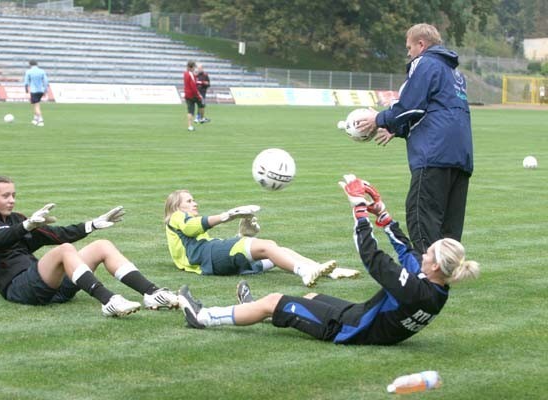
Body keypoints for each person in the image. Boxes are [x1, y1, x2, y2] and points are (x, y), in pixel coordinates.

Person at [178, 175, 479, 346]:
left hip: (349, 330)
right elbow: (407, 252)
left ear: (436, 265)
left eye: (429, 253)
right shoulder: (436, 288)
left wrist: (359, 211)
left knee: (274, 300)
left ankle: (203, 317)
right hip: (361, 316)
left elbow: (372, 257)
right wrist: (382, 213)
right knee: (307, 296)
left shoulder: (414, 289)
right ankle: (254, 310)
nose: (423, 253)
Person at [0, 176, 179, 317]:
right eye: (6, 196)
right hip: (20, 289)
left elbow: (54, 234)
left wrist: (92, 224)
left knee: (101, 246)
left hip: (48, 286)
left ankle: (152, 293)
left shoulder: (17, 218)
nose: (12, 200)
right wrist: (25, 226)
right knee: (65, 250)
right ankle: (109, 301)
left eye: (14, 195)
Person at [358, 23, 474, 255]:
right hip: (461, 155)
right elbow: (434, 111)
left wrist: (378, 119)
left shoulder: (425, 62)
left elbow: (410, 105)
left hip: (433, 154)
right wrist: (398, 129)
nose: (408, 53)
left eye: (409, 47)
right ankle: (448, 269)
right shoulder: (455, 73)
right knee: (449, 222)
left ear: (421, 44)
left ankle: (426, 271)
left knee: (421, 214)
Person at [164, 189, 338, 287]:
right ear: (176, 207)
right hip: (209, 255)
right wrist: (227, 215)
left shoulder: (182, 227)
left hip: (211, 258)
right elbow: (191, 227)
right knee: (267, 247)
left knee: (278, 251)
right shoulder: (175, 216)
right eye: (189, 201)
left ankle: (321, 269)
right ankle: (305, 272)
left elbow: (200, 240)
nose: (195, 203)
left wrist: (241, 236)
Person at [24, 60, 49, 127]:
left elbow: (26, 82)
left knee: (36, 106)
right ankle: (35, 119)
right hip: (41, 90)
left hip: (34, 91)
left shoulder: (28, 71)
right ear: (37, 64)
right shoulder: (42, 71)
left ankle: (41, 120)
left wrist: (26, 91)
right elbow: (46, 81)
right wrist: (45, 90)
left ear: (30, 64)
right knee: (34, 104)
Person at [183, 60, 203, 132]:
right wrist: (198, 95)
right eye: (194, 67)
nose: (195, 68)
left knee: (190, 111)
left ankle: (190, 126)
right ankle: (201, 118)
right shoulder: (191, 74)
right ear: (192, 67)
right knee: (201, 104)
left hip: (187, 94)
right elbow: (193, 86)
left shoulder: (185, 73)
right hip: (192, 94)